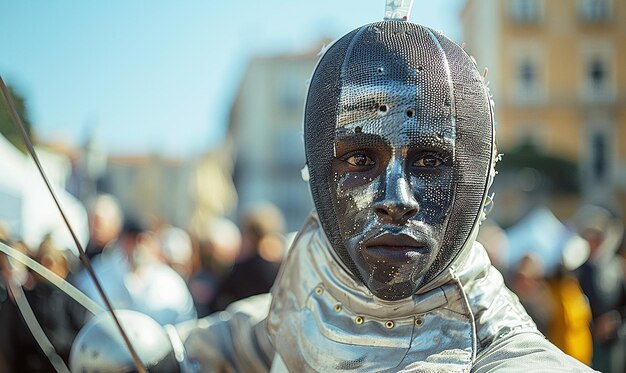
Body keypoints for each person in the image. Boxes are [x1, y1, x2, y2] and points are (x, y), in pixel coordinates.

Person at [70, 11, 596, 373]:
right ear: (321, 168)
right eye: (359, 159)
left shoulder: (506, 356)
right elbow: (267, 328)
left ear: (477, 178)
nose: (397, 198)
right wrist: (170, 351)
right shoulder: (319, 263)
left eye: (431, 160)